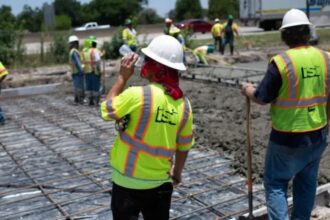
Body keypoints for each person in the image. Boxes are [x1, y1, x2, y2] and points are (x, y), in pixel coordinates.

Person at [241, 9, 330, 220]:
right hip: (318, 134)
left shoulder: (281, 62)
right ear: (308, 32)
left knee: (275, 183)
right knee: (307, 182)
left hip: (287, 138)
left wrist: (247, 90)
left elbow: (262, 97)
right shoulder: (326, 58)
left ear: (285, 35)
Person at [100, 35, 194, 220]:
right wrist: (177, 174)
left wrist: (121, 77)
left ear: (155, 67)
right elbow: (184, 146)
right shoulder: (184, 105)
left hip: (127, 183)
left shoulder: (137, 95)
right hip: (161, 185)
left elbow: (107, 110)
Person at [82, 35, 102, 106]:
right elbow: (98, 62)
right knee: (96, 88)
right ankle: (96, 102)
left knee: (89, 88)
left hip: (87, 73)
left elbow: (83, 63)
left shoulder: (85, 51)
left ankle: (90, 101)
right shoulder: (95, 51)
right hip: (94, 72)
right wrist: (100, 71)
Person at [68, 35, 84, 104]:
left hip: (74, 72)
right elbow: (77, 62)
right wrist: (81, 70)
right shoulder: (74, 52)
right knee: (79, 86)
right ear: (75, 43)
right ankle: (79, 99)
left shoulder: (71, 51)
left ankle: (77, 99)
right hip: (77, 72)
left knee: (76, 86)